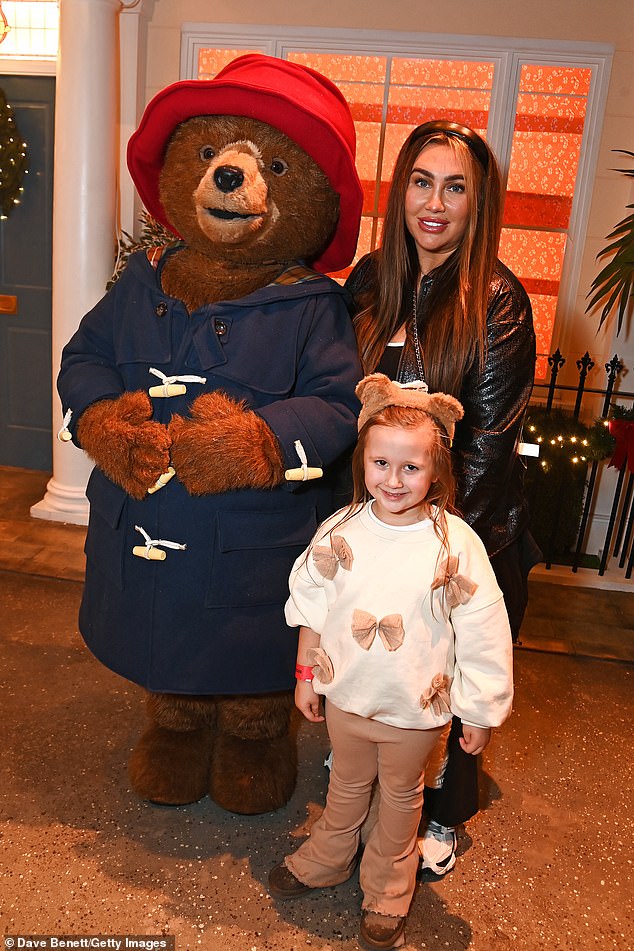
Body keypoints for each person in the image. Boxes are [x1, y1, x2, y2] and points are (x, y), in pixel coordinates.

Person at [344, 120, 539, 878]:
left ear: (477, 202)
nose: (435, 202)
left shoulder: (498, 298)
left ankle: (444, 814)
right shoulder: (368, 281)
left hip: (463, 536)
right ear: (401, 193)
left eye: (455, 187)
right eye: (422, 182)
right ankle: (372, 778)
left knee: (450, 682)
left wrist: (437, 550)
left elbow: (487, 446)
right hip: (378, 524)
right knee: (380, 659)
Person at [268, 373, 514, 951]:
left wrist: (477, 709)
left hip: (415, 710)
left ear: (437, 472)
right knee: (347, 787)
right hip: (348, 698)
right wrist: (306, 674)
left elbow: (482, 628)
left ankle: (388, 888)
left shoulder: (454, 544)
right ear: (364, 462)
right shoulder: (341, 529)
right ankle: (328, 856)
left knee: (402, 801)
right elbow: (312, 607)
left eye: (412, 468)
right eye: (382, 464)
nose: (394, 480)